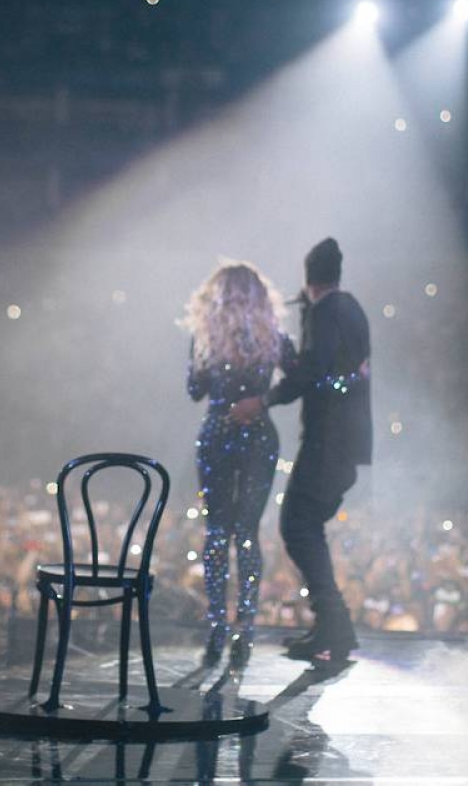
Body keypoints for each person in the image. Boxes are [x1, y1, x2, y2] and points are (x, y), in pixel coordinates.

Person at [229, 237, 372, 664]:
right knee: (306, 524)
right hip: (345, 441)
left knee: (297, 524)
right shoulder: (352, 309)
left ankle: (336, 625)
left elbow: (313, 370)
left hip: (328, 441)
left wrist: (264, 400)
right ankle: (333, 626)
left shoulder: (327, 311)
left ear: (308, 278)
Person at [181, 261, 296, 666]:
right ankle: (243, 627)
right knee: (244, 533)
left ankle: (218, 626)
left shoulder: (206, 336)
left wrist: (205, 354)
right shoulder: (272, 337)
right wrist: (262, 400)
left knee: (218, 533)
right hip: (258, 436)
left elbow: (193, 389)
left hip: (217, 434)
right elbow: (297, 380)